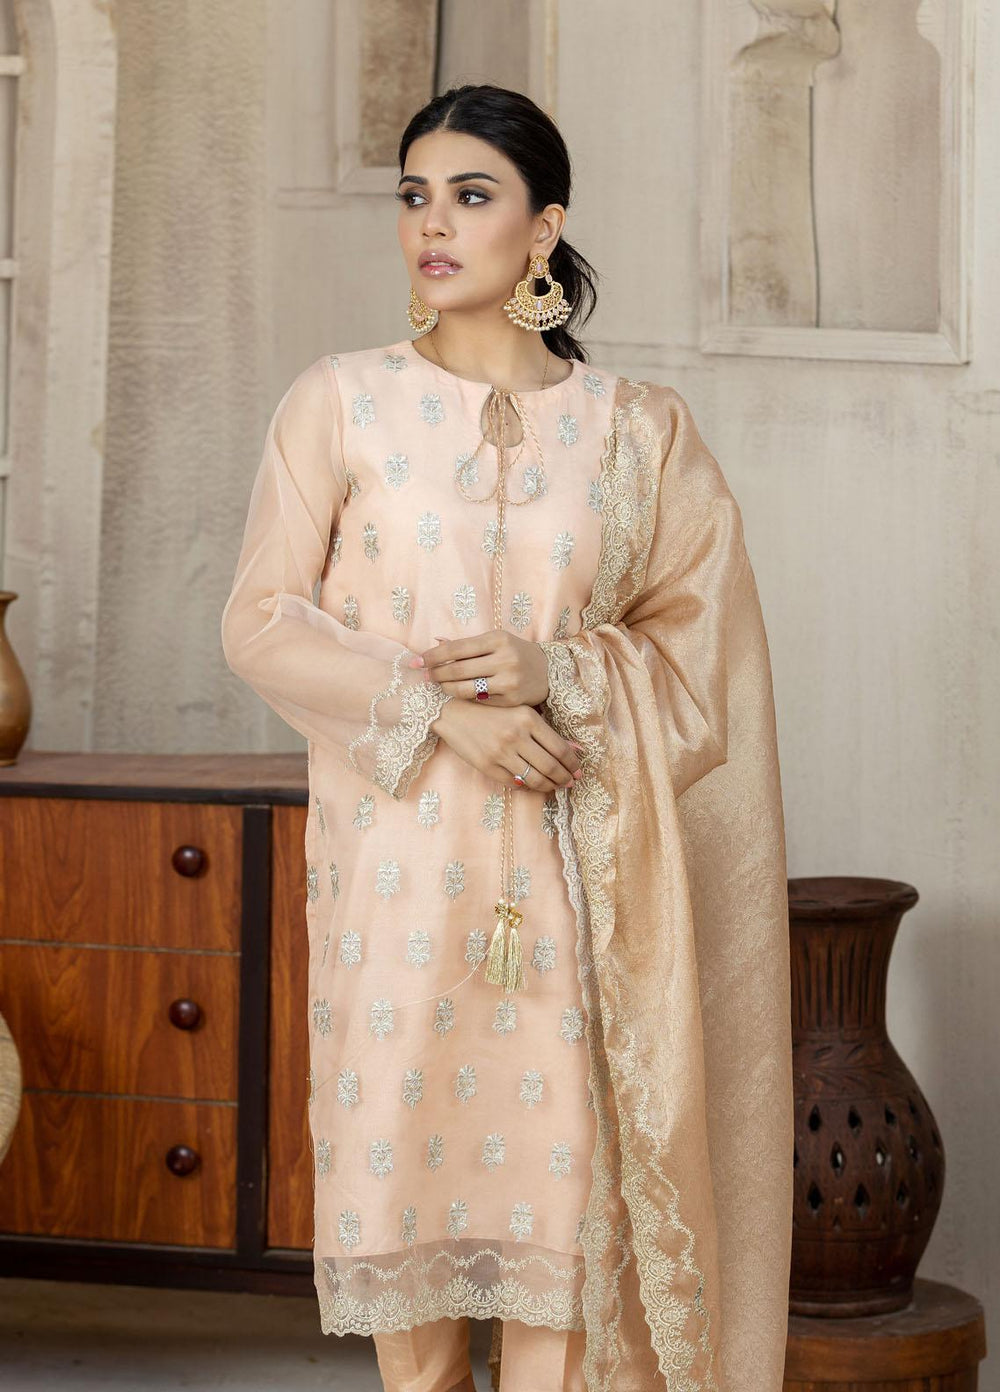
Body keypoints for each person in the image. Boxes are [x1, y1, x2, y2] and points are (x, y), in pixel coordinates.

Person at [221, 83, 793, 1392]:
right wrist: (442, 714)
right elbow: (258, 623)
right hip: (394, 889)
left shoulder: (639, 431)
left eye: (470, 196)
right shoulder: (341, 403)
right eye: (414, 196)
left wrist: (560, 672)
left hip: (579, 900)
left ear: (543, 228)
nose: (433, 223)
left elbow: (707, 661)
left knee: (562, 1254)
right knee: (409, 1251)